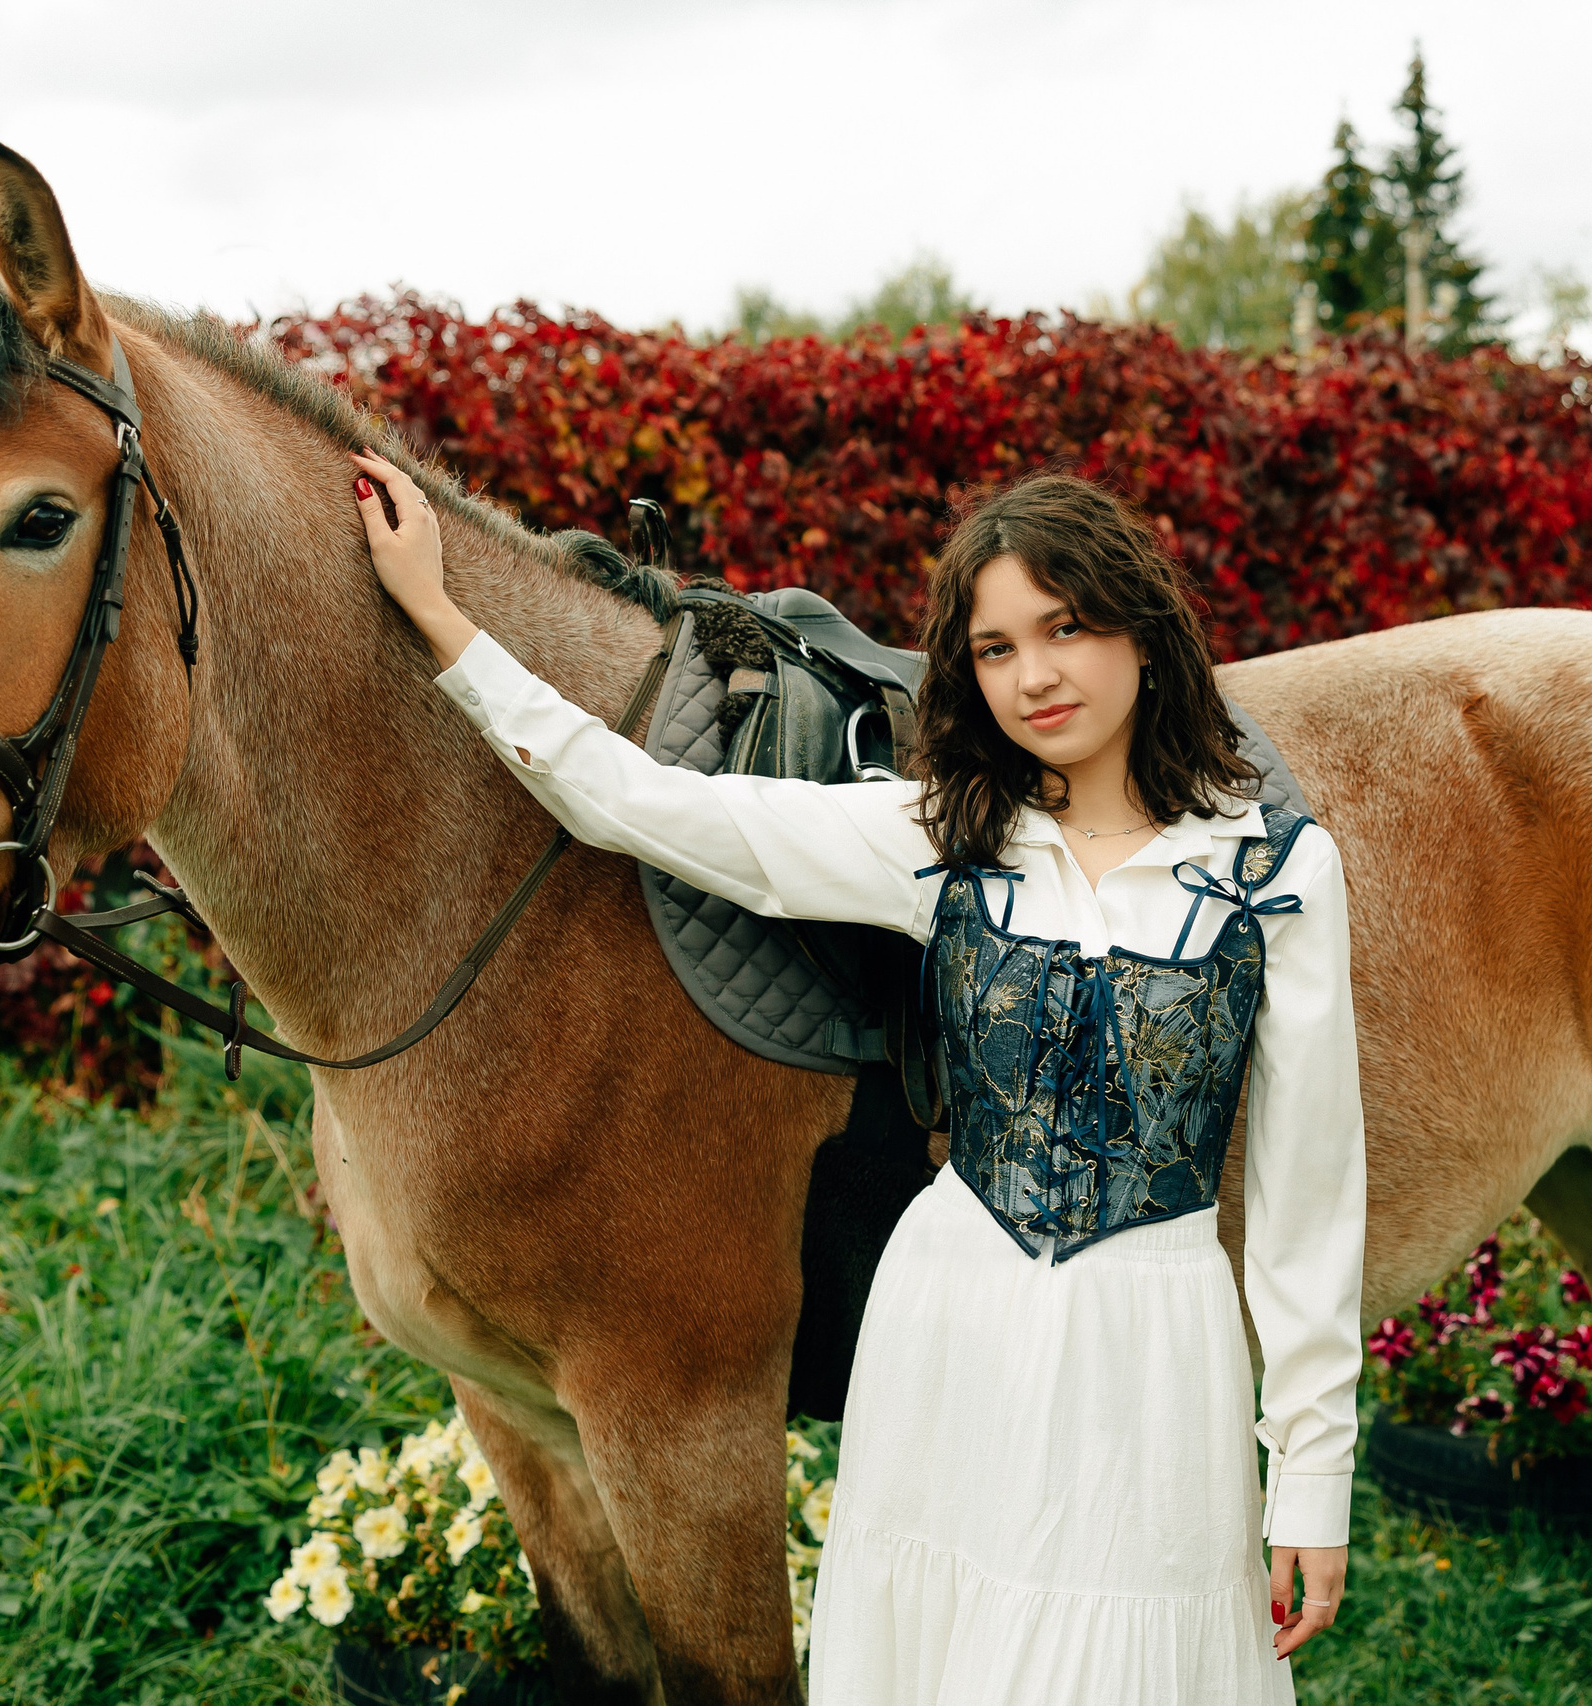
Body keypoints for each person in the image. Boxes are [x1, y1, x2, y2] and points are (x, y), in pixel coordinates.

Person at [353, 452, 1364, 1704]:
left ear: (1143, 633)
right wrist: (440, 611)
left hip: (1153, 1345)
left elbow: (1310, 1204)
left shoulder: (1277, 873)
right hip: (950, 1322)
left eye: (1066, 627)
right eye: (995, 648)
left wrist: (1310, 1477)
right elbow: (634, 802)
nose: (1035, 675)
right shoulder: (942, 840)